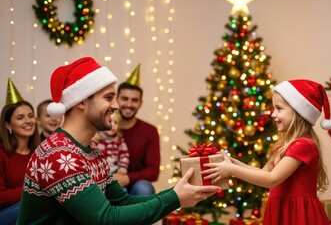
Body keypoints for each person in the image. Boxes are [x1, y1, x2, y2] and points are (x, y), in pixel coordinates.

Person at [18, 57, 219, 224]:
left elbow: (122, 201)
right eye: (108, 98)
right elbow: (105, 220)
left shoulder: (90, 150)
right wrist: (174, 199)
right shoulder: (60, 155)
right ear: (81, 101)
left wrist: (179, 193)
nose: (116, 105)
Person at [203, 79, 331, 225]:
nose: (273, 114)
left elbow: (272, 179)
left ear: (298, 112)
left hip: (297, 214)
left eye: (279, 109)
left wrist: (232, 170)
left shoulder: (304, 145)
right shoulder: (283, 146)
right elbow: (263, 173)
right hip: (282, 210)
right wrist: (235, 164)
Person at [114, 65, 160, 196]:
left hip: (137, 184)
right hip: (109, 182)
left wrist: (127, 178)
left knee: (144, 188)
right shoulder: (103, 128)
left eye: (134, 100)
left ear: (141, 103)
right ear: (116, 99)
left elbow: (153, 171)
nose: (129, 104)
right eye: (124, 99)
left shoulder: (150, 131)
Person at [0, 78, 40, 225]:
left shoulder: (40, 152)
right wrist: (33, 189)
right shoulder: (1, 153)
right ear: (8, 125)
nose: (28, 121)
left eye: (30, 116)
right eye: (20, 117)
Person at [93, 110, 130, 174]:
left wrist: (123, 167)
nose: (112, 125)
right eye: (110, 121)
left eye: (116, 123)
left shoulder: (119, 141)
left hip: (115, 171)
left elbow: (124, 155)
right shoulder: (95, 139)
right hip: (98, 171)